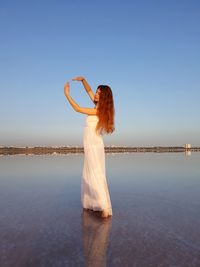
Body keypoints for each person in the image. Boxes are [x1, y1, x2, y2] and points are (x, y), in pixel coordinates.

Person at [64, 76, 115, 218]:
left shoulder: (98, 111)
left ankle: (104, 207)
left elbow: (77, 108)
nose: (96, 94)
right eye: (97, 92)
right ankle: (94, 203)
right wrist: (83, 80)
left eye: (99, 93)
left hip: (94, 145)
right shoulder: (97, 107)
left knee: (96, 173)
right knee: (91, 173)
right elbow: (89, 91)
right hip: (90, 144)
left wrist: (67, 93)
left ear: (104, 97)